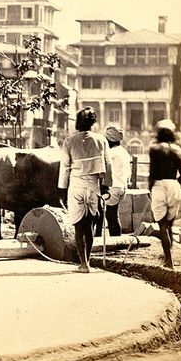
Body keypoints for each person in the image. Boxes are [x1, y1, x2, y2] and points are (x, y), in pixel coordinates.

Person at [58, 107, 113, 273]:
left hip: (75, 186)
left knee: (78, 227)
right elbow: (108, 166)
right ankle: (87, 263)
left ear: (78, 122)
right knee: (89, 226)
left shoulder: (69, 141)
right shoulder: (101, 140)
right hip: (93, 187)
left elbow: (64, 167)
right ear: (93, 122)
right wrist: (106, 186)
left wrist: (62, 189)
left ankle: (83, 263)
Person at [148, 119, 181, 270]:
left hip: (159, 185)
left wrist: (151, 189)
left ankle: (169, 260)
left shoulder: (154, 149)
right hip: (174, 185)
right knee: (169, 224)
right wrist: (173, 184)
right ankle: (167, 257)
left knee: (162, 226)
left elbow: (152, 173)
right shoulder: (179, 151)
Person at [94, 123, 132, 237]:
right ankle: (115, 240)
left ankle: (113, 240)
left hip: (113, 188)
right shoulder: (124, 152)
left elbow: (103, 170)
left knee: (110, 216)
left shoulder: (111, 153)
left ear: (109, 140)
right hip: (122, 188)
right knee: (113, 215)